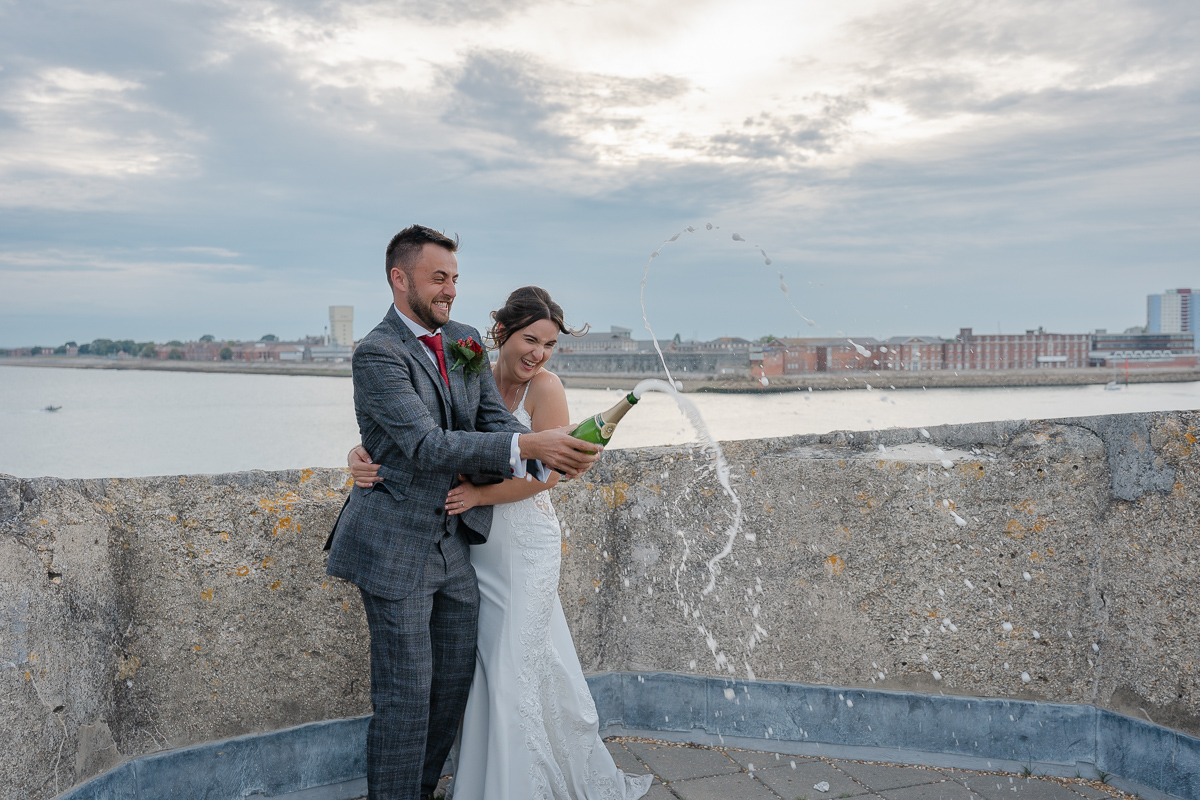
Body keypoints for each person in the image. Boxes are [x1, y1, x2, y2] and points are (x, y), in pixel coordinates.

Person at [325, 227, 605, 800]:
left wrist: (543, 456)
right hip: (393, 544)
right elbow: (427, 446)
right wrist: (532, 449)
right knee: (405, 695)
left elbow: (489, 420)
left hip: (455, 545)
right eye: (438, 278)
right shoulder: (377, 353)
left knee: (452, 688)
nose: (450, 289)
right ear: (399, 279)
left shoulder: (465, 339)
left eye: (455, 278)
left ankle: (423, 789)